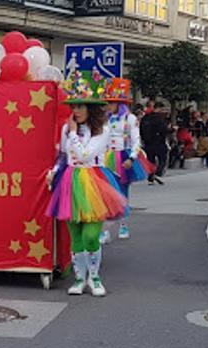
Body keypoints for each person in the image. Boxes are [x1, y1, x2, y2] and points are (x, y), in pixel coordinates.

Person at [47, 72, 126, 297]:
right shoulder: (67, 129)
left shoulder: (102, 130)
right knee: (76, 235)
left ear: (91, 109)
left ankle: (95, 277)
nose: (76, 111)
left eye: (81, 107)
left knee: (92, 235)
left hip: (94, 181)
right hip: (70, 181)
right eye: (74, 106)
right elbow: (63, 155)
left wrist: (72, 133)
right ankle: (80, 279)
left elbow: (85, 154)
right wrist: (53, 172)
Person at [102, 78, 149, 240]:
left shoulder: (130, 119)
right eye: (107, 102)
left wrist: (131, 158)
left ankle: (123, 224)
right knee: (106, 193)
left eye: (111, 102)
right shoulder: (105, 118)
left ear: (119, 103)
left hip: (123, 157)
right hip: (106, 158)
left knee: (122, 193)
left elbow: (137, 141)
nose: (108, 105)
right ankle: (105, 229)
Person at [140, 101, 170, 185]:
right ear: (159, 108)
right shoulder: (159, 118)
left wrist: (143, 139)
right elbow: (163, 130)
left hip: (147, 142)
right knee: (163, 158)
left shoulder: (145, 118)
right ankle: (158, 173)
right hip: (159, 141)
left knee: (150, 160)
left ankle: (150, 177)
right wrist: (171, 130)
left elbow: (141, 129)